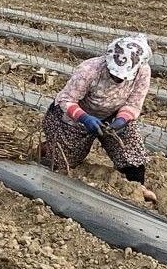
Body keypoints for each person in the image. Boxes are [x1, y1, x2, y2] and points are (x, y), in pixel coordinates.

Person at [42, 34, 156, 202]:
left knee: (129, 146)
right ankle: (46, 149)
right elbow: (66, 100)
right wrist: (84, 118)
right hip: (75, 113)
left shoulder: (142, 71)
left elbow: (134, 103)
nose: (117, 78)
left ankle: (138, 185)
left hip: (113, 114)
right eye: (114, 74)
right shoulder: (90, 70)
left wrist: (122, 120)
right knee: (66, 160)